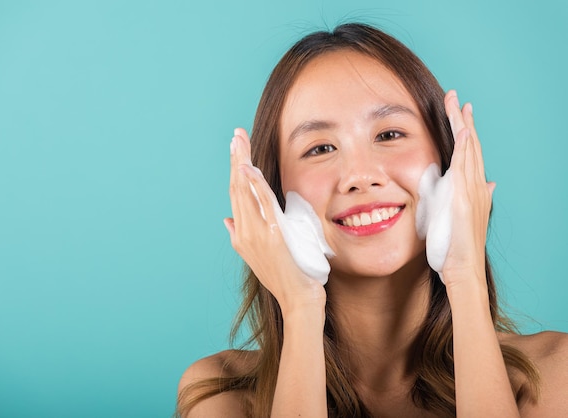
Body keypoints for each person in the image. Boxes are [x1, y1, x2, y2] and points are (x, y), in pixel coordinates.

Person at [176, 23, 568, 417]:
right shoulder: (221, 395)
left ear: (450, 161)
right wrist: (300, 307)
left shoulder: (551, 372)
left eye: (389, 134)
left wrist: (466, 279)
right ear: (272, 193)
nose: (361, 176)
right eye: (320, 148)